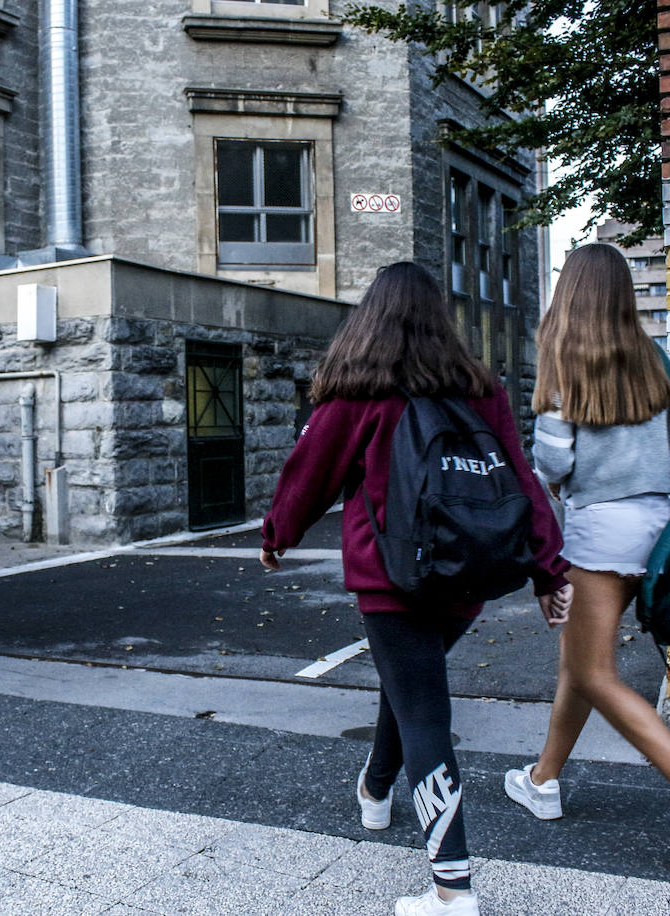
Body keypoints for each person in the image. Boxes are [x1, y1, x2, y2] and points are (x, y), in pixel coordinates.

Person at [260, 261, 573, 916]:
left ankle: (452, 888)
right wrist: (549, 568)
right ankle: (376, 790)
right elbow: (518, 475)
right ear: (439, 318)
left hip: (391, 575)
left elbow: (309, 471)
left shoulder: (360, 383)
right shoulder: (477, 385)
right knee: (410, 685)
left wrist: (276, 534)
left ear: (371, 316)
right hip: (468, 571)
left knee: (424, 710)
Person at [503, 242, 670, 876]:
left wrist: (566, 483)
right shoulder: (653, 360)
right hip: (653, 524)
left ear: (572, 293)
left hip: (598, 528)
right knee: (579, 664)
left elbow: (554, 461)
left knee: (596, 674)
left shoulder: (567, 362)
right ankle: (544, 779)